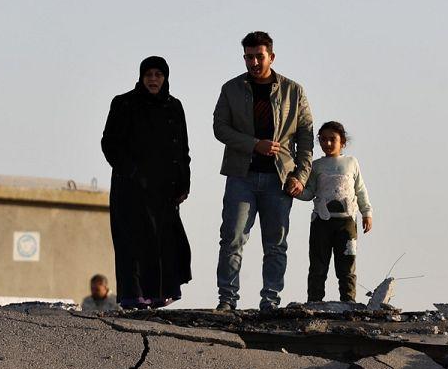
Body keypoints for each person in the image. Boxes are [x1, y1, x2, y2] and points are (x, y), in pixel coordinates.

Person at [213, 31, 314, 311]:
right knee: (232, 238)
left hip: (279, 179)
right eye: (249, 57)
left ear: (271, 56)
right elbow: (219, 127)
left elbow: (306, 136)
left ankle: (270, 301)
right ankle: (227, 300)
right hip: (240, 176)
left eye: (259, 56)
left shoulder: (294, 91)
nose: (254, 62)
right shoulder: (230, 89)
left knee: (275, 244)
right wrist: (254, 144)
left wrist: (301, 176)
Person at [101, 55, 192, 309]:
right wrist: (131, 172)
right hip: (130, 189)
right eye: (149, 75)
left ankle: (159, 294)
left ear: (165, 78)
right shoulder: (124, 103)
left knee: (162, 242)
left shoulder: (174, 107)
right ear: (141, 77)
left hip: (163, 190)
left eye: (158, 75)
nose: (153, 80)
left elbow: (182, 149)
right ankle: (133, 295)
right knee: (132, 241)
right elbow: (109, 143)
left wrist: (184, 182)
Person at [296, 121, 373, 302]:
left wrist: (367, 213)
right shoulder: (316, 166)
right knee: (318, 265)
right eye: (323, 140)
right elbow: (309, 193)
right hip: (321, 223)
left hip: (346, 223)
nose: (328, 144)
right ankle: (314, 302)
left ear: (343, 142)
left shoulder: (351, 163)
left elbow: (360, 189)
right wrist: (294, 190)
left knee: (346, 266)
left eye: (332, 139)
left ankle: (348, 302)